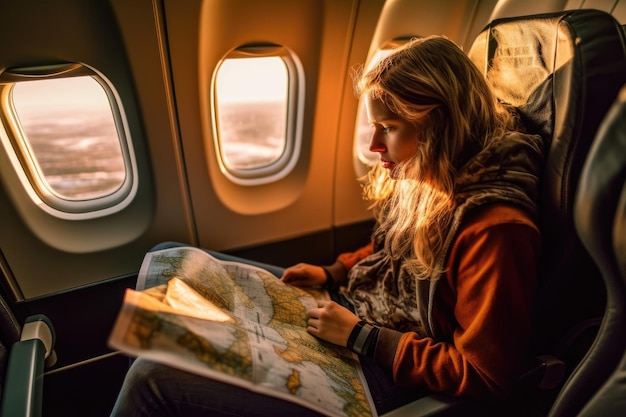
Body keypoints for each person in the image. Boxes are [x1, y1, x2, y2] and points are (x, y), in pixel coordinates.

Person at [110, 35, 544, 416]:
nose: (375, 146)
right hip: (352, 309)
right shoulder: (434, 174)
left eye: (388, 129)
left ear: (440, 125)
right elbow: (393, 255)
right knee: (173, 267)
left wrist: (364, 337)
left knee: (153, 377)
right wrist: (334, 271)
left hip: (384, 368)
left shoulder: (495, 230)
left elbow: (484, 374)